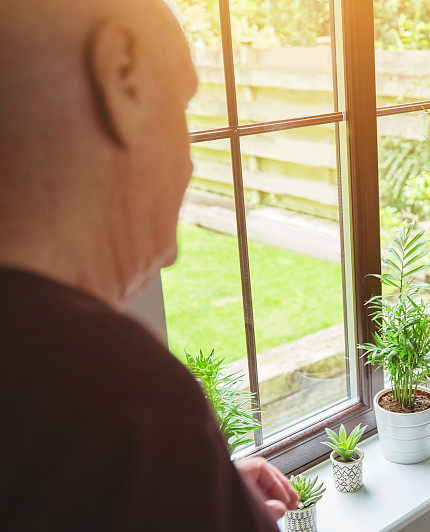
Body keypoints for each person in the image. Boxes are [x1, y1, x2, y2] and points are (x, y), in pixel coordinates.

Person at [0, 1, 297, 529]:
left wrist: (196, 489)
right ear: (122, 76)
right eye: (182, 106)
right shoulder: (118, 400)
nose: (188, 162)